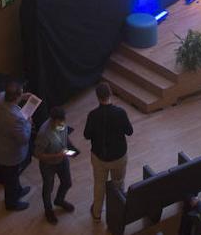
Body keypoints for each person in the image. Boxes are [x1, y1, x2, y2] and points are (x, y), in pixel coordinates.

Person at [83, 82, 133, 222]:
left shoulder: (93, 115)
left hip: (99, 158)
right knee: (118, 183)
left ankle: (97, 213)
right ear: (110, 94)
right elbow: (130, 131)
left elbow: (86, 135)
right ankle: (119, 212)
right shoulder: (120, 113)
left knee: (99, 185)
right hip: (119, 157)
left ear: (97, 97)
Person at [0, 80, 33, 211]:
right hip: (9, 154)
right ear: (16, 97)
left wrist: (22, 96)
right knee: (10, 179)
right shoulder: (16, 118)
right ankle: (11, 203)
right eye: (21, 93)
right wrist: (29, 124)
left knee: (12, 176)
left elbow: (6, 96)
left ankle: (18, 190)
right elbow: (24, 139)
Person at [33, 105, 77, 223]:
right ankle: (48, 210)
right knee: (48, 188)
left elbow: (64, 136)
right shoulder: (43, 134)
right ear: (52, 120)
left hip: (62, 160)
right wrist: (56, 156)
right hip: (48, 165)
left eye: (63, 121)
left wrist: (71, 147)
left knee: (67, 182)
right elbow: (37, 154)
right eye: (59, 122)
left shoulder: (61, 123)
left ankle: (59, 200)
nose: (62, 124)